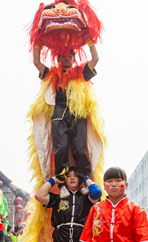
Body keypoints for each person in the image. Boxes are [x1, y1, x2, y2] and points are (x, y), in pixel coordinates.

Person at [33, 42, 99, 197]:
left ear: (74, 58)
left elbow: (95, 58)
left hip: (78, 115)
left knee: (80, 150)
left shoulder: (82, 73)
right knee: (60, 149)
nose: (67, 58)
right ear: (58, 58)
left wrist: (90, 41)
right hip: (59, 114)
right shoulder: (51, 74)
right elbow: (36, 62)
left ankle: (83, 181)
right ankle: (62, 184)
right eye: (63, 55)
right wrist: (37, 43)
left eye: (70, 55)